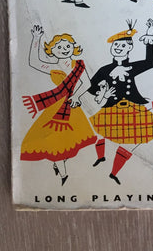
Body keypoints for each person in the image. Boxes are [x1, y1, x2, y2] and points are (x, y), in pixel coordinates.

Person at [87, 20, 153, 184]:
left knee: (133, 142)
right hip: (111, 108)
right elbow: (91, 88)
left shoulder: (131, 67)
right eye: (115, 45)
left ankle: (114, 172)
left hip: (131, 109)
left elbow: (149, 63)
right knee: (98, 133)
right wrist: (103, 93)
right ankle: (101, 157)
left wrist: (149, 38)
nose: (118, 48)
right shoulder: (105, 70)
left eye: (122, 45)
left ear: (130, 48)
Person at [20, 25, 96, 184]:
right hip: (54, 107)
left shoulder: (78, 65)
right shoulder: (53, 66)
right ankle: (63, 175)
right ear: (52, 51)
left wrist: (76, 95)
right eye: (59, 47)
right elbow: (34, 62)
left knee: (68, 141)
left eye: (67, 46)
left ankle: (59, 166)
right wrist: (36, 39)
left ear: (73, 48)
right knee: (54, 142)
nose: (64, 50)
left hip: (72, 107)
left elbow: (87, 84)